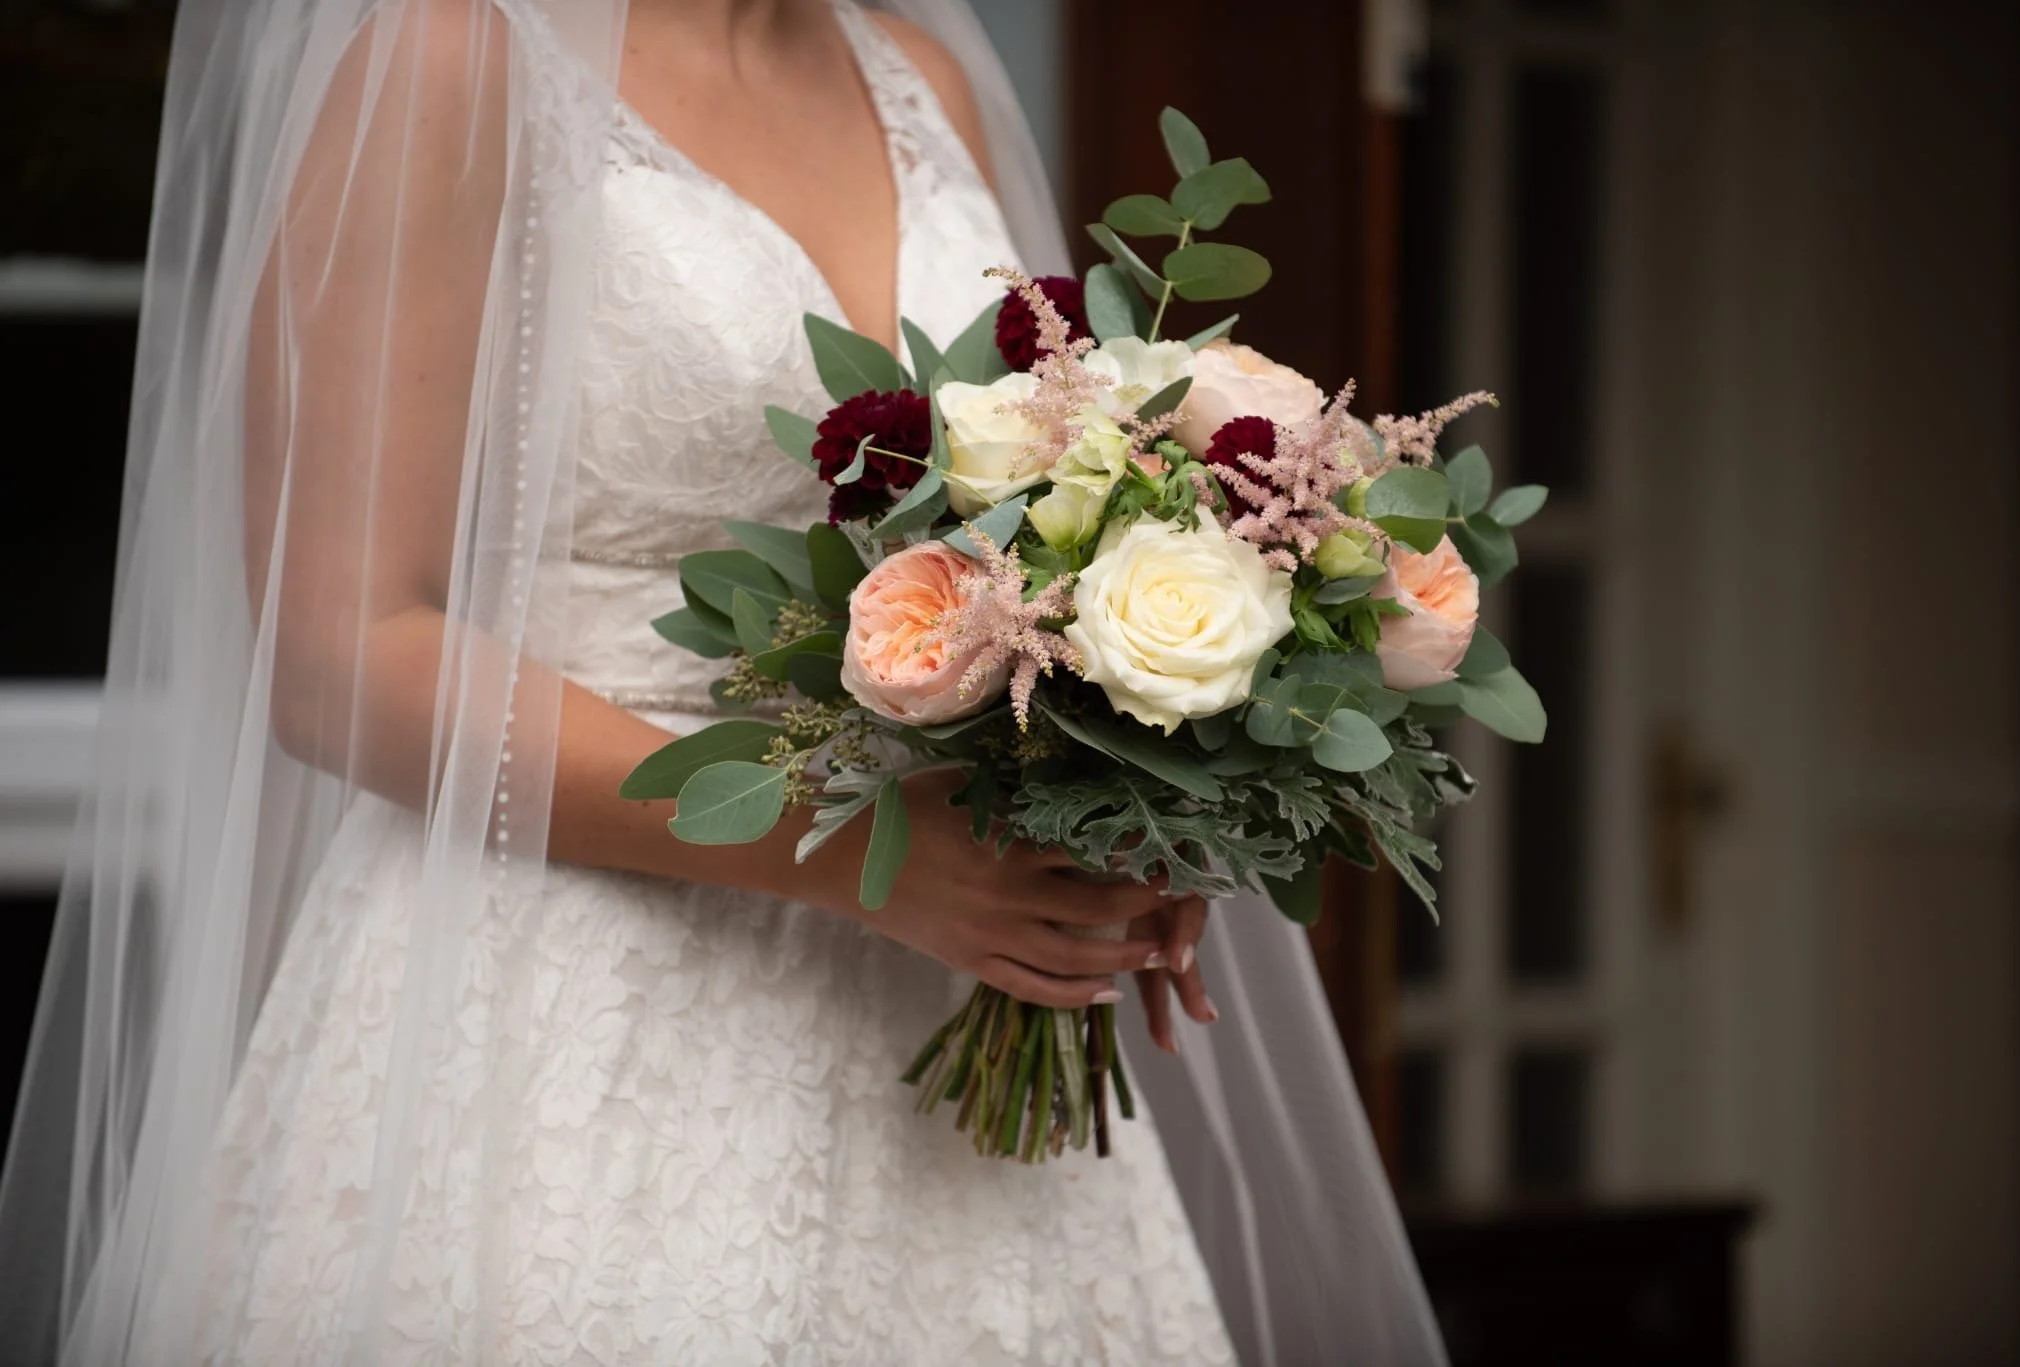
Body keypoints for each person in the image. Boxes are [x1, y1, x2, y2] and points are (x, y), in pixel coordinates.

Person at [0, 1, 1447, 1363]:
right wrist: (860, 862)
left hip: (944, 1017)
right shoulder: (454, 57)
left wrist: (1119, 789)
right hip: (554, 997)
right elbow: (336, 648)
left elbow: (1031, 515)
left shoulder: (917, 78)